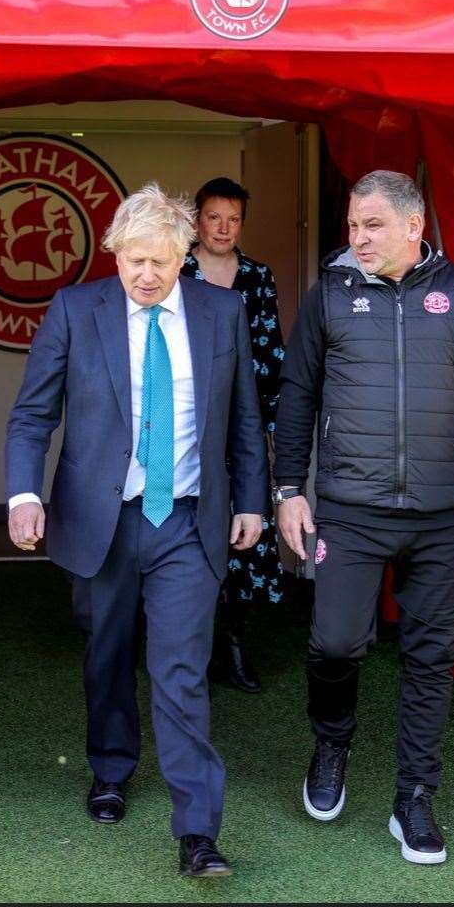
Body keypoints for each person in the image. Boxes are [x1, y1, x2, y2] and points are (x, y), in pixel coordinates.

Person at [273, 170, 454, 866]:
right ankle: (332, 740)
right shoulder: (331, 298)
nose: (357, 239)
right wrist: (287, 489)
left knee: (431, 662)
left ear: (413, 225)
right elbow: (297, 395)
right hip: (350, 512)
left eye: (371, 226)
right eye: (352, 226)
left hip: (437, 518)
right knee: (335, 644)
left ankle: (415, 798)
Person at [5, 182, 269, 879]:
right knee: (108, 653)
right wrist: (24, 494)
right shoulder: (75, 309)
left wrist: (252, 500)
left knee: (180, 670)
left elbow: (243, 417)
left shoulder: (222, 312)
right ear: (114, 254)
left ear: (185, 254)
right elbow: (34, 414)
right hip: (104, 520)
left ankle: (197, 831)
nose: (146, 276)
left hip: (186, 519)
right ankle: (112, 769)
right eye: (133, 262)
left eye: (160, 262)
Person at [181, 176, 291, 694]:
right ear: (196, 219)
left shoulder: (257, 277)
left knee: (245, 537)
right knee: (184, 532)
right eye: (213, 217)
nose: (223, 228)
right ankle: (187, 647)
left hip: (240, 425)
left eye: (233, 219)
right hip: (185, 423)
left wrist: (275, 432)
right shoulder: (172, 270)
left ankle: (234, 645)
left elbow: (271, 358)